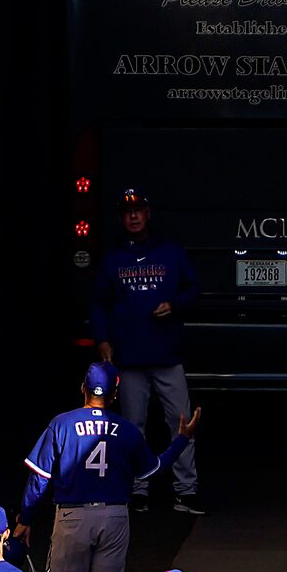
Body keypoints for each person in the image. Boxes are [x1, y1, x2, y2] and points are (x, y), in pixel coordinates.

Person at [21, 363, 201, 572]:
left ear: (83, 388)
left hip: (72, 514)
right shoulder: (126, 429)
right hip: (115, 515)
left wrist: (24, 519)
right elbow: (152, 469)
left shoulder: (62, 424)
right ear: (115, 394)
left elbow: (39, 479)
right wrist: (181, 439)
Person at [90, 189, 204, 516]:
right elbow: (97, 302)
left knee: (181, 423)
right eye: (127, 212)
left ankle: (186, 491)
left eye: (138, 210)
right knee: (131, 427)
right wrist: (102, 340)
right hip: (128, 358)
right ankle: (137, 490)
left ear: (148, 213)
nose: (134, 216)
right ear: (120, 218)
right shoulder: (113, 259)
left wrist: (176, 304)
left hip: (167, 354)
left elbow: (193, 288)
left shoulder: (170, 252)